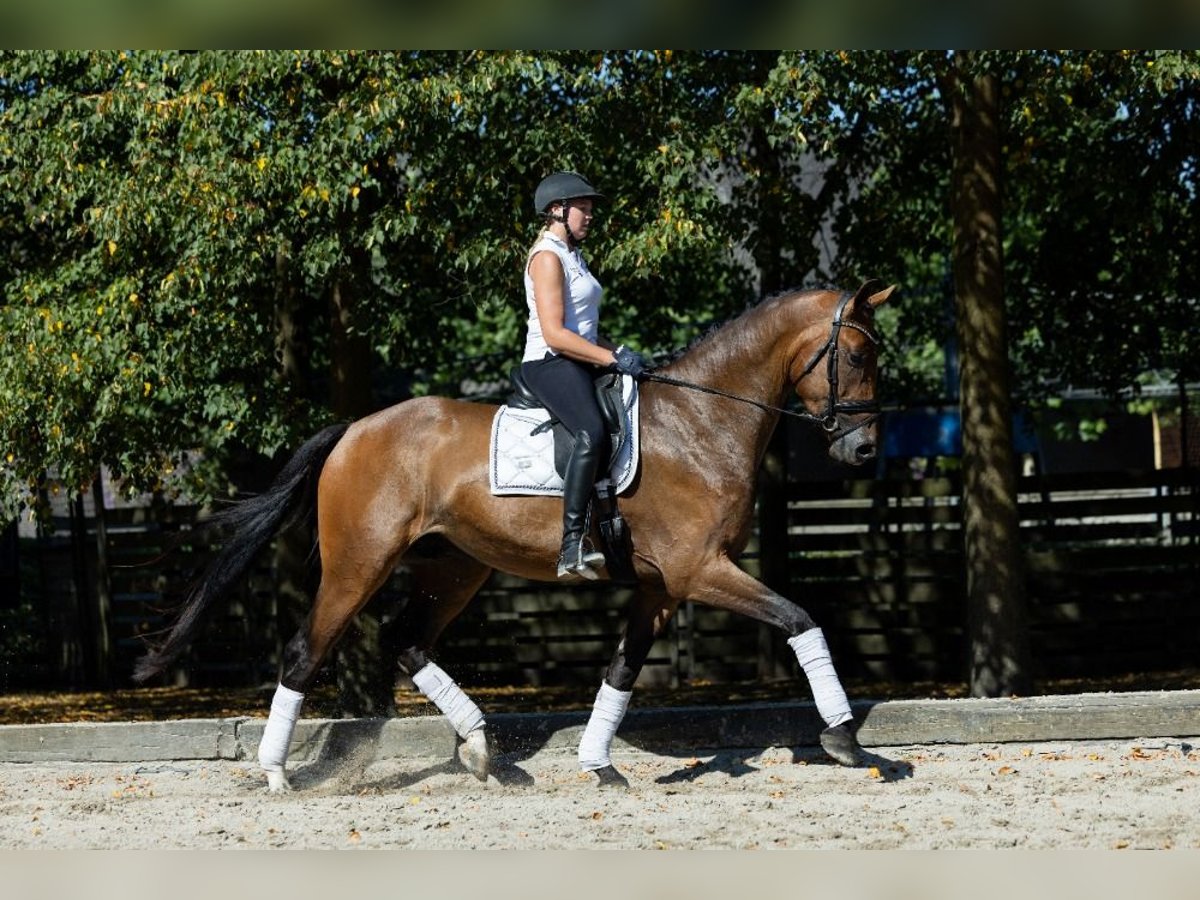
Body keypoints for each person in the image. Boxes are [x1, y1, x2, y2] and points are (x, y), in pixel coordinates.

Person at [520, 171, 650, 581]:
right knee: (590, 431)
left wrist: (619, 352)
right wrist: (611, 359)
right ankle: (572, 543)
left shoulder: (573, 255)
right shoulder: (547, 257)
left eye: (591, 209)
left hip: (579, 358)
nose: (590, 216)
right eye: (583, 208)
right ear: (557, 210)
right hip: (550, 362)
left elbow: (585, 330)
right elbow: (556, 335)